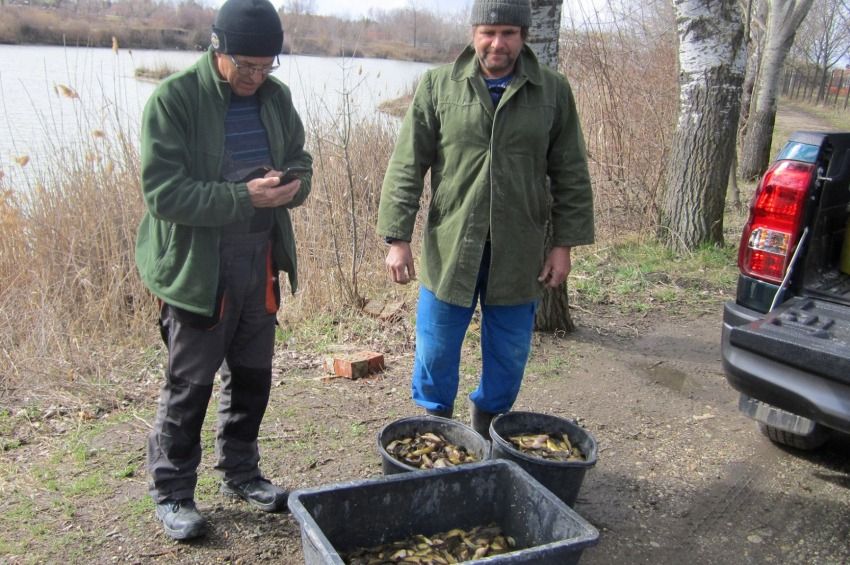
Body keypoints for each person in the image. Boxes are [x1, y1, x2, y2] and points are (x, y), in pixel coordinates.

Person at [134, 0, 312, 540]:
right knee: (189, 385)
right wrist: (244, 198)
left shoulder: (275, 98)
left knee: (253, 377)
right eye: (247, 67)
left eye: (267, 66)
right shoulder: (173, 100)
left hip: (259, 262)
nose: (257, 77)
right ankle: (172, 491)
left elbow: (302, 160)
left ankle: (241, 472)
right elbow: (164, 193)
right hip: (197, 267)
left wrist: (293, 187)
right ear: (218, 49)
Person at [377, 0, 594, 440]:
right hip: (452, 244)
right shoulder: (439, 86)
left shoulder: (551, 90)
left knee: (510, 351)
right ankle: (434, 426)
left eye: (509, 33)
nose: (498, 43)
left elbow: (570, 172)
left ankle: (489, 424)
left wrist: (563, 245)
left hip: (519, 248)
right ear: (474, 32)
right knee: (436, 348)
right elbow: (407, 165)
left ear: (524, 35)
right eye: (489, 32)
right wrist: (396, 238)